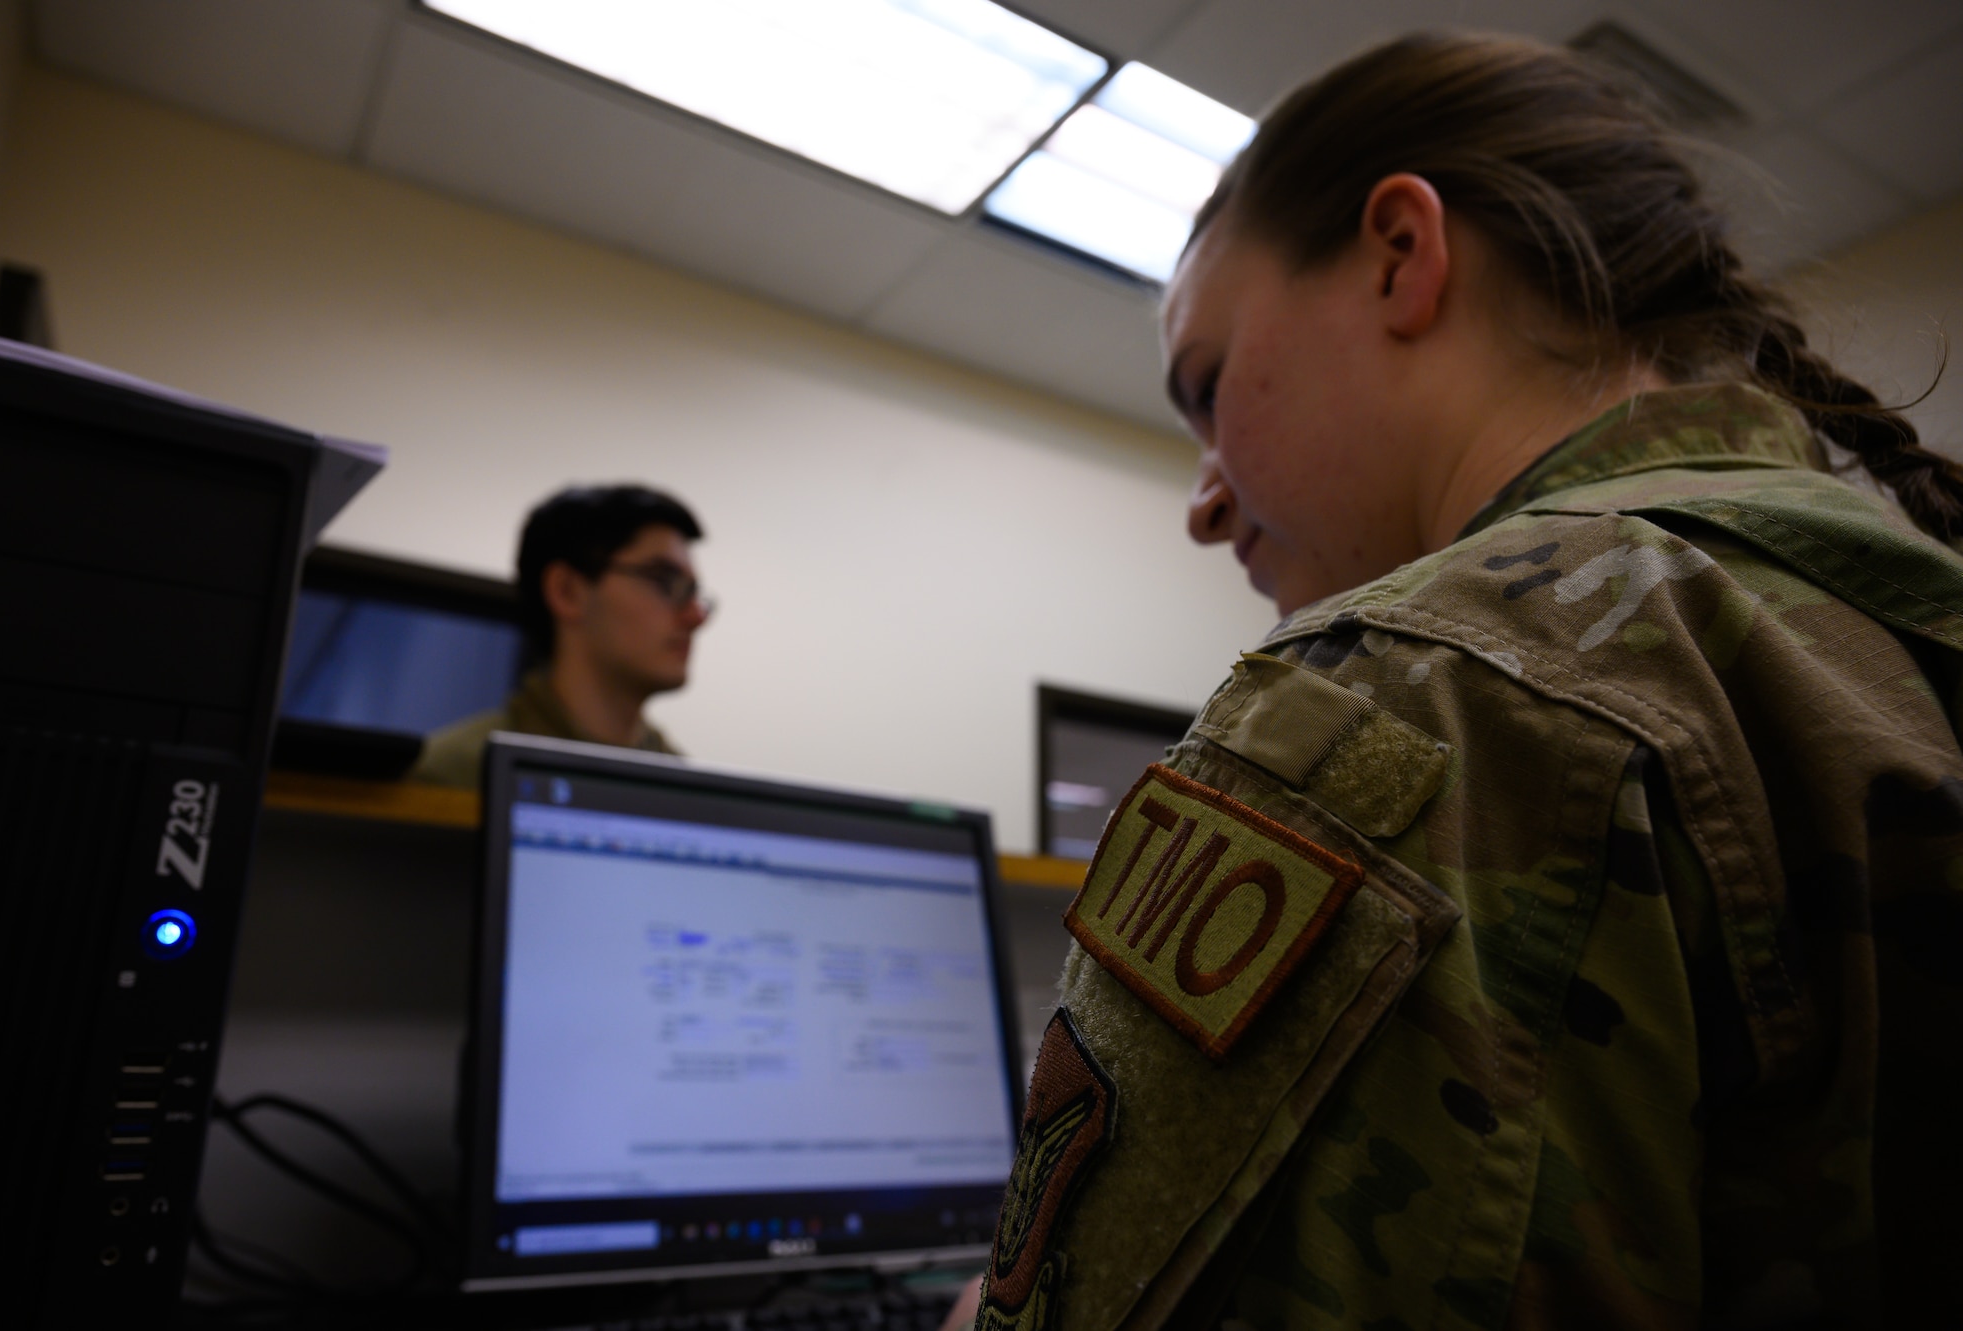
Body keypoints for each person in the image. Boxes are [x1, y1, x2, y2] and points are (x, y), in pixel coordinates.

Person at [961, 32, 1963, 1331]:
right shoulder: (1887, 603)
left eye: (1209, 389)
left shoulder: (1420, 689)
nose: (1206, 502)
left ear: (1400, 253)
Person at [411, 484, 711, 788]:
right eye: (664, 581)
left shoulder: (690, 791)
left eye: (693, 593)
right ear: (567, 591)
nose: (696, 616)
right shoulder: (453, 778)